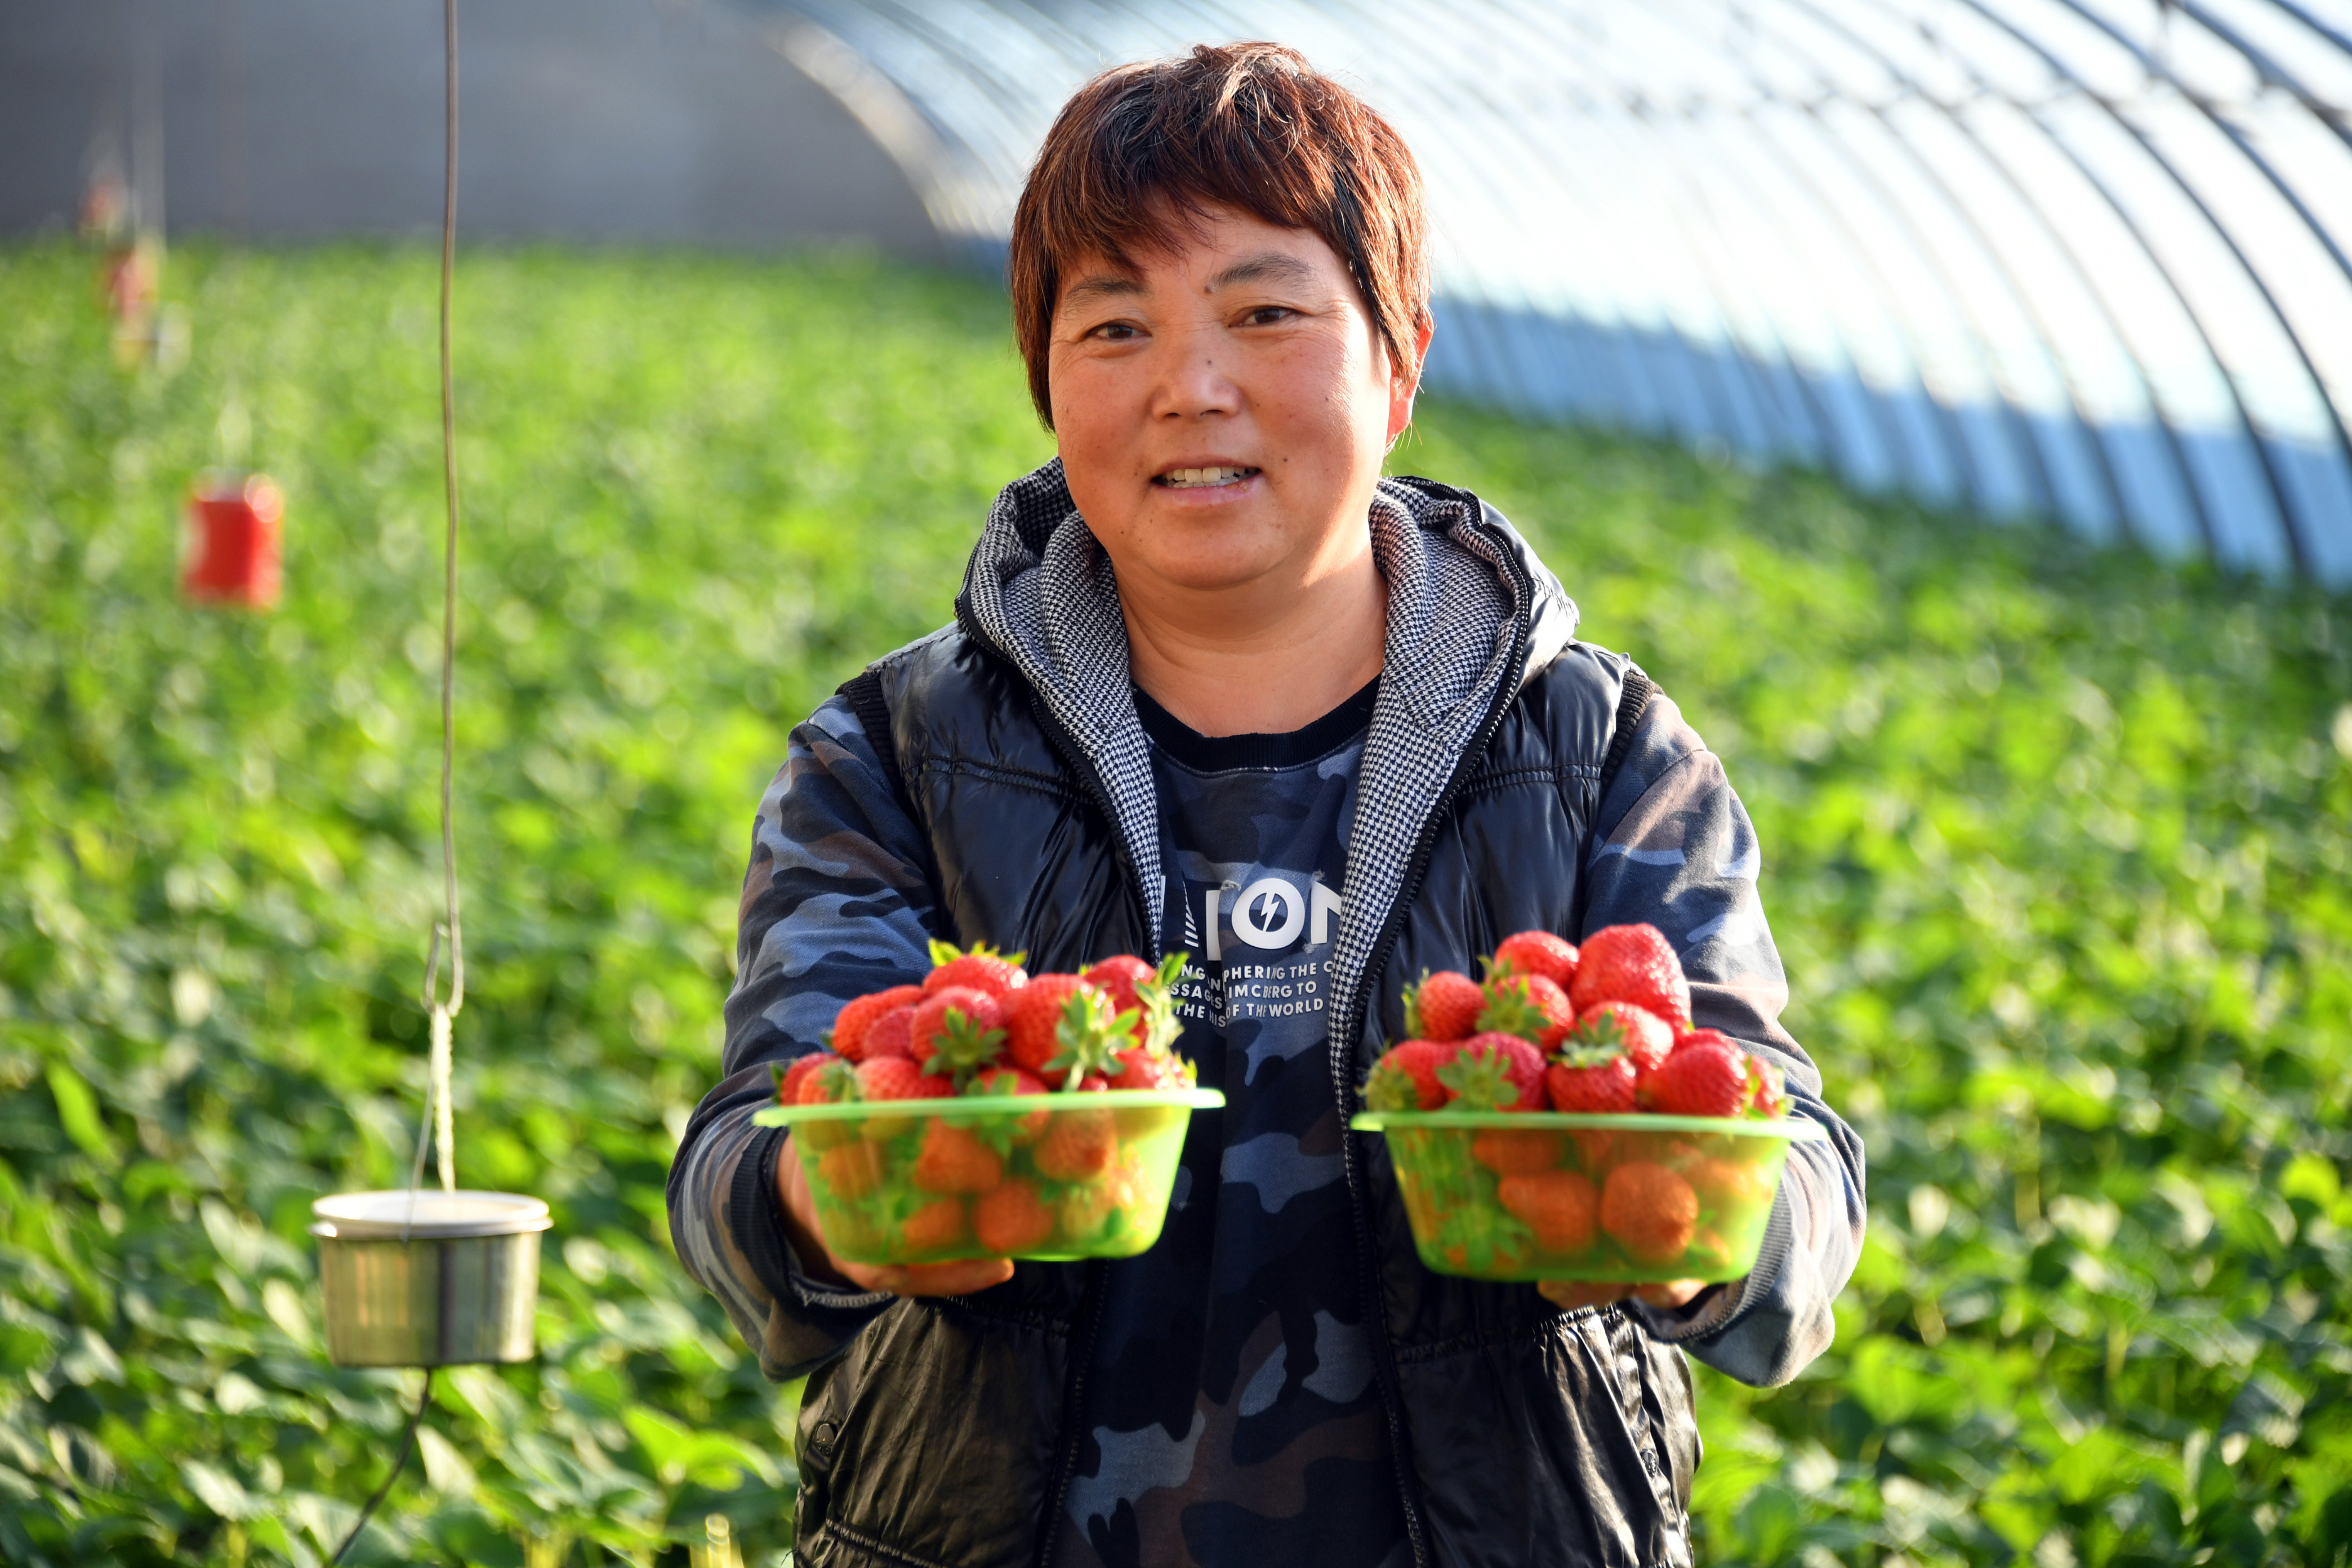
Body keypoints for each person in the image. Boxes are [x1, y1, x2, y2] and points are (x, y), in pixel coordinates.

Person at [670, 41, 1865, 1568]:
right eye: (1116, 325)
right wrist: (835, 1201)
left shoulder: (1592, 753)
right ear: (1046, 377)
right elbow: (740, 1175)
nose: (1192, 385)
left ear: (1401, 360)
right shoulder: (897, 757)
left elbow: (1795, 1175)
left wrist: (1692, 1225)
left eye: (1266, 313)